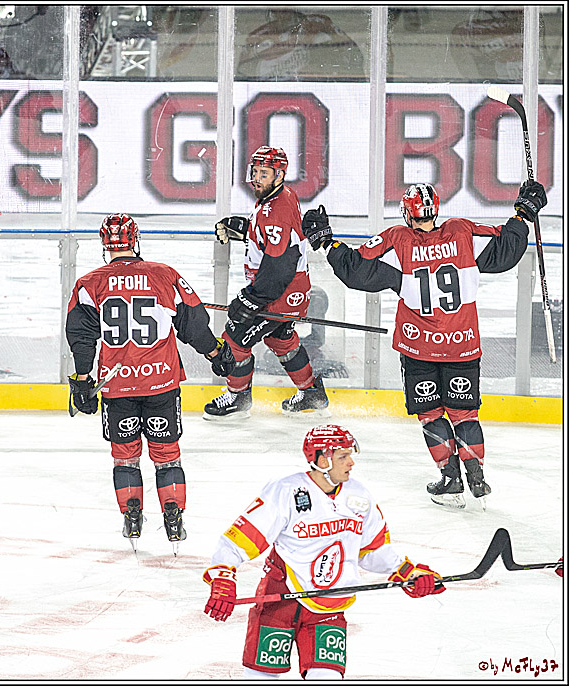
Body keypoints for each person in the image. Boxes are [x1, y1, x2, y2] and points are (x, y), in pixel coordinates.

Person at [302, 180, 543, 508]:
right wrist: (523, 214)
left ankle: (450, 478)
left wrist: (326, 242)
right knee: (464, 414)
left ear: (406, 213)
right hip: (462, 344)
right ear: (436, 209)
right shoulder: (462, 233)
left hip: (419, 347)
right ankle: (476, 474)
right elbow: (505, 252)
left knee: (431, 415)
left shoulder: (397, 240)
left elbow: (356, 272)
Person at [203, 424, 446, 679]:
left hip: (330, 606)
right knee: (260, 679)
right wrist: (223, 577)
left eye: (350, 455)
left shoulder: (359, 497)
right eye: (343, 456)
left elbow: (372, 549)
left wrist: (406, 572)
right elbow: (239, 540)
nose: (351, 463)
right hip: (280, 599)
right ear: (320, 459)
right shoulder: (286, 491)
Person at [65, 214, 235, 551]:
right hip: (161, 382)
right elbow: (194, 324)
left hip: (117, 386)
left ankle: (131, 516)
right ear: (135, 241)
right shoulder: (164, 275)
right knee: (167, 455)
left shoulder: (89, 283)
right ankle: (173, 515)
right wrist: (216, 353)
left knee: (125, 456)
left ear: (104, 245)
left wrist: (83, 381)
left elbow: (81, 336)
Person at [206, 145, 329, 421]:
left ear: (280, 174)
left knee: (236, 337)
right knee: (280, 338)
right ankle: (311, 393)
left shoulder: (277, 209)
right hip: (286, 292)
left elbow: (278, 268)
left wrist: (249, 299)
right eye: (256, 172)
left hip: (280, 295)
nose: (257, 178)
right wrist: (246, 228)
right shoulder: (278, 197)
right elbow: (273, 241)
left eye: (264, 173)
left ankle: (238, 397)